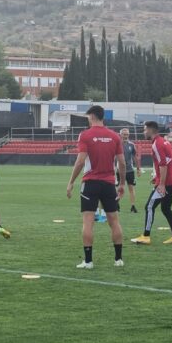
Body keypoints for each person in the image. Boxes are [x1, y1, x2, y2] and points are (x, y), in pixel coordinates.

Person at [66, 105, 126, 269]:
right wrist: (121, 184)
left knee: (88, 222)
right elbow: (122, 162)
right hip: (109, 184)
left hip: (90, 183)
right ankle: (118, 259)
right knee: (114, 221)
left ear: (92, 116)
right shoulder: (114, 136)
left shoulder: (85, 135)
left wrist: (71, 182)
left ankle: (88, 261)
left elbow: (80, 161)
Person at [131, 121, 172, 245]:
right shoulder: (163, 141)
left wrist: (161, 184)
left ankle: (146, 236)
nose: (143, 132)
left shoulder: (157, 144)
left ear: (151, 130)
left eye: (144, 129)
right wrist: (157, 177)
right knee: (166, 209)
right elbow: (167, 162)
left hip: (167, 183)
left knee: (149, 206)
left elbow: (163, 165)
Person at [117, 128, 142, 213]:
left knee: (131, 188)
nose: (126, 136)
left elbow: (135, 157)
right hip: (120, 171)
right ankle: (116, 203)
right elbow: (113, 158)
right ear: (120, 135)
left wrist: (138, 169)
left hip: (130, 170)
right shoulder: (117, 145)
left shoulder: (131, 145)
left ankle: (132, 206)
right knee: (121, 188)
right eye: (124, 134)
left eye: (127, 134)